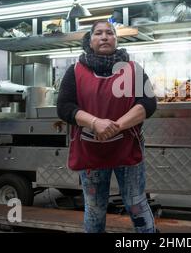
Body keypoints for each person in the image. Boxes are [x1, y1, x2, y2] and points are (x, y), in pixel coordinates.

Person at [57, 20, 157, 233]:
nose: (104, 37)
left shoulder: (132, 69)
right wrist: (94, 122)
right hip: (91, 152)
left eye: (110, 33)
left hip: (127, 150)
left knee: (136, 204)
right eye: (98, 33)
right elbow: (64, 107)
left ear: (116, 40)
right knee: (95, 208)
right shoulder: (75, 71)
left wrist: (116, 126)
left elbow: (148, 103)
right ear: (90, 41)